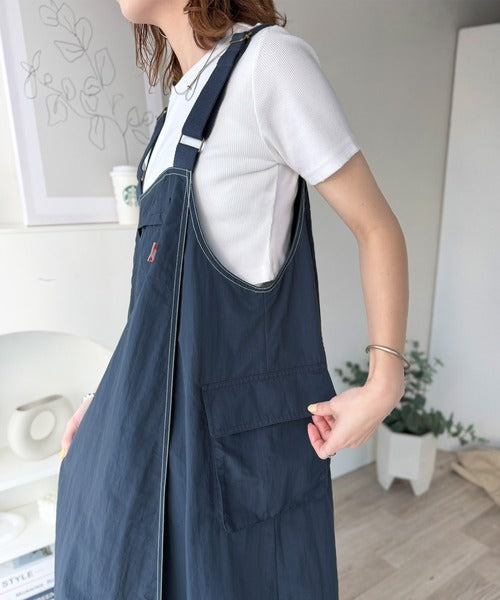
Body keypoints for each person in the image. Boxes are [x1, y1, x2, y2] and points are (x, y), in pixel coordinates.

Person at [56, 1, 408, 599]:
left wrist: (384, 384)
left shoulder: (269, 64)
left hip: (232, 451)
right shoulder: (170, 118)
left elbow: (377, 227)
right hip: (159, 437)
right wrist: (108, 397)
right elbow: (155, 309)